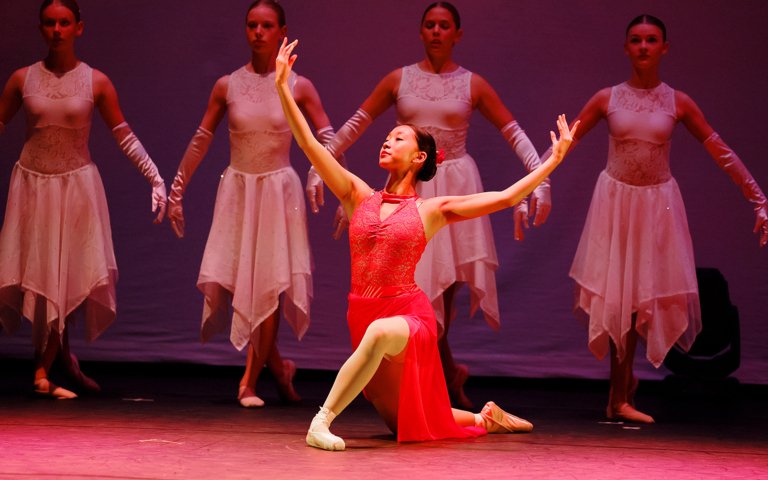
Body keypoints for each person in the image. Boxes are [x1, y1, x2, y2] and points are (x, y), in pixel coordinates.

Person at [275, 38, 578, 450]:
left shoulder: (432, 210)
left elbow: (506, 198)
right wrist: (281, 90)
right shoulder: (357, 194)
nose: (388, 142)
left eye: (399, 138)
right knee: (409, 420)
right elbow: (310, 145)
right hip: (361, 313)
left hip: (408, 316)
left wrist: (553, 161)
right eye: (387, 137)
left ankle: (320, 422)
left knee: (382, 333)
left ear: (420, 158)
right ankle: (487, 418)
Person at [309, 2, 549, 409]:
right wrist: (322, 167)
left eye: (445, 26)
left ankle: (438, 374)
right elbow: (356, 124)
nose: (436, 32)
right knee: (406, 281)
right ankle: (441, 375)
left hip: (453, 182)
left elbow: (514, 132)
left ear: (457, 34)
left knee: (443, 289)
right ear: (421, 32)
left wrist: (540, 178)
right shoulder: (398, 79)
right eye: (430, 25)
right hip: (402, 190)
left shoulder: (473, 83)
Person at [559, 14, 768, 423]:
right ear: (625, 47)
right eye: (635, 40)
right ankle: (618, 394)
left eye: (651, 40)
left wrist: (758, 198)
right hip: (615, 203)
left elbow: (720, 150)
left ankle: (621, 390)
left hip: (656, 206)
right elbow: (564, 146)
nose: (642, 47)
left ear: (664, 48)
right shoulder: (607, 98)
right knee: (618, 297)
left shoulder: (678, 102)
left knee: (641, 300)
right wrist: (537, 187)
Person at [168, 0, 337, 408]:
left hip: (279, 191)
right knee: (243, 279)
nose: (258, 33)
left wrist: (320, 173)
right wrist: (177, 188)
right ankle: (278, 367)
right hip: (239, 190)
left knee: (272, 280)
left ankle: (248, 379)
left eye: (266, 26)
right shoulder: (227, 85)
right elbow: (201, 138)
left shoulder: (299, 85)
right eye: (252, 25)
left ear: (282, 31)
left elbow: (329, 136)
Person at [0, 0, 167, 399]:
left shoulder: (96, 81)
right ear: (41, 28)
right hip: (33, 187)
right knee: (42, 275)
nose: (56, 29)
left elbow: (123, 135)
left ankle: (43, 370)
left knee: (70, 274)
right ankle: (63, 363)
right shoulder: (22, 79)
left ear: (79, 27)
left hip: (76, 188)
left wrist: (155, 178)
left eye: (64, 22)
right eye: (49, 23)